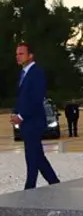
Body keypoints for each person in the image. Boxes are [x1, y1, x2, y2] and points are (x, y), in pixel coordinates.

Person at [11, 43, 60, 189]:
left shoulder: (37, 73)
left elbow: (36, 98)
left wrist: (21, 116)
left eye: (21, 53)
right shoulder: (23, 73)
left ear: (30, 55)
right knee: (37, 156)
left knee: (32, 157)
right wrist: (15, 112)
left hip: (34, 121)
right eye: (17, 54)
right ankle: (54, 183)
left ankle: (29, 188)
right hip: (27, 123)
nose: (17, 57)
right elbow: (22, 97)